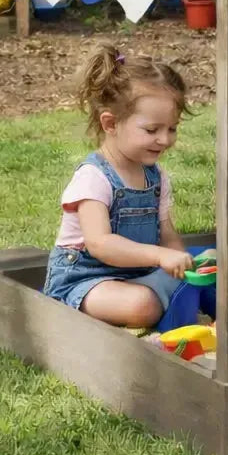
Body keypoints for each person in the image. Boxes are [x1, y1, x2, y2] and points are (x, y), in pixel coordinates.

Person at [42, 45, 194, 328]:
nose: (165, 139)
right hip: (86, 281)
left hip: (137, 274)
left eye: (171, 128)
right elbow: (100, 244)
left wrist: (178, 261)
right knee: (142, 306)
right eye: (152, 130)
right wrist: (161, 257)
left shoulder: (156, 177)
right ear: (111, 124)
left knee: (210, 267)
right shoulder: (94, 178)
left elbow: (167, 233)